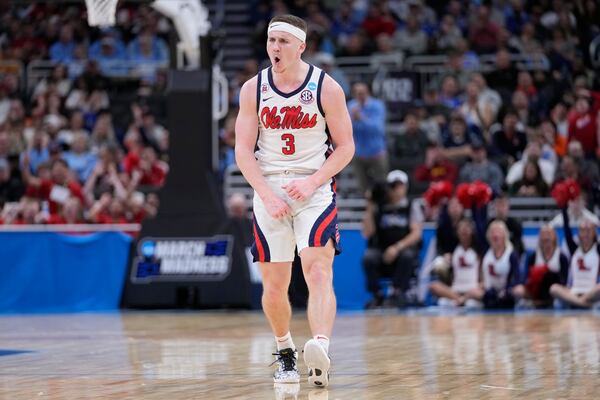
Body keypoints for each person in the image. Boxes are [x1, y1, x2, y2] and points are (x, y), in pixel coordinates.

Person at [235, 15, 354, 388]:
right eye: (272, 41)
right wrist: (267, 195)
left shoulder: (327, 87)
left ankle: (319, 347)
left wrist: (315, 180)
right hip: (269, 189)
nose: (275, 48)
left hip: (314, 189)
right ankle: (285, 350)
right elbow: (242, 150)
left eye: (284, 41)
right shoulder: (253, 89)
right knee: (274, 285)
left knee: (318, 269)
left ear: (301, 46)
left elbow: (346, 147)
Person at [362, 170, 424, 308]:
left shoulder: (411, 205)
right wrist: (370, 206)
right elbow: (367, 233)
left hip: (402, 249)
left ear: (406, 187)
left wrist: (397, 247)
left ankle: (397, 293)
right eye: (393, 186)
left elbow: (416, 234)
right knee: (369, 257)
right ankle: (377, 295)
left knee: (407, 256)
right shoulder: (379, 207)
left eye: (399, 185)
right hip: (382, 249)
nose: (396, 189)